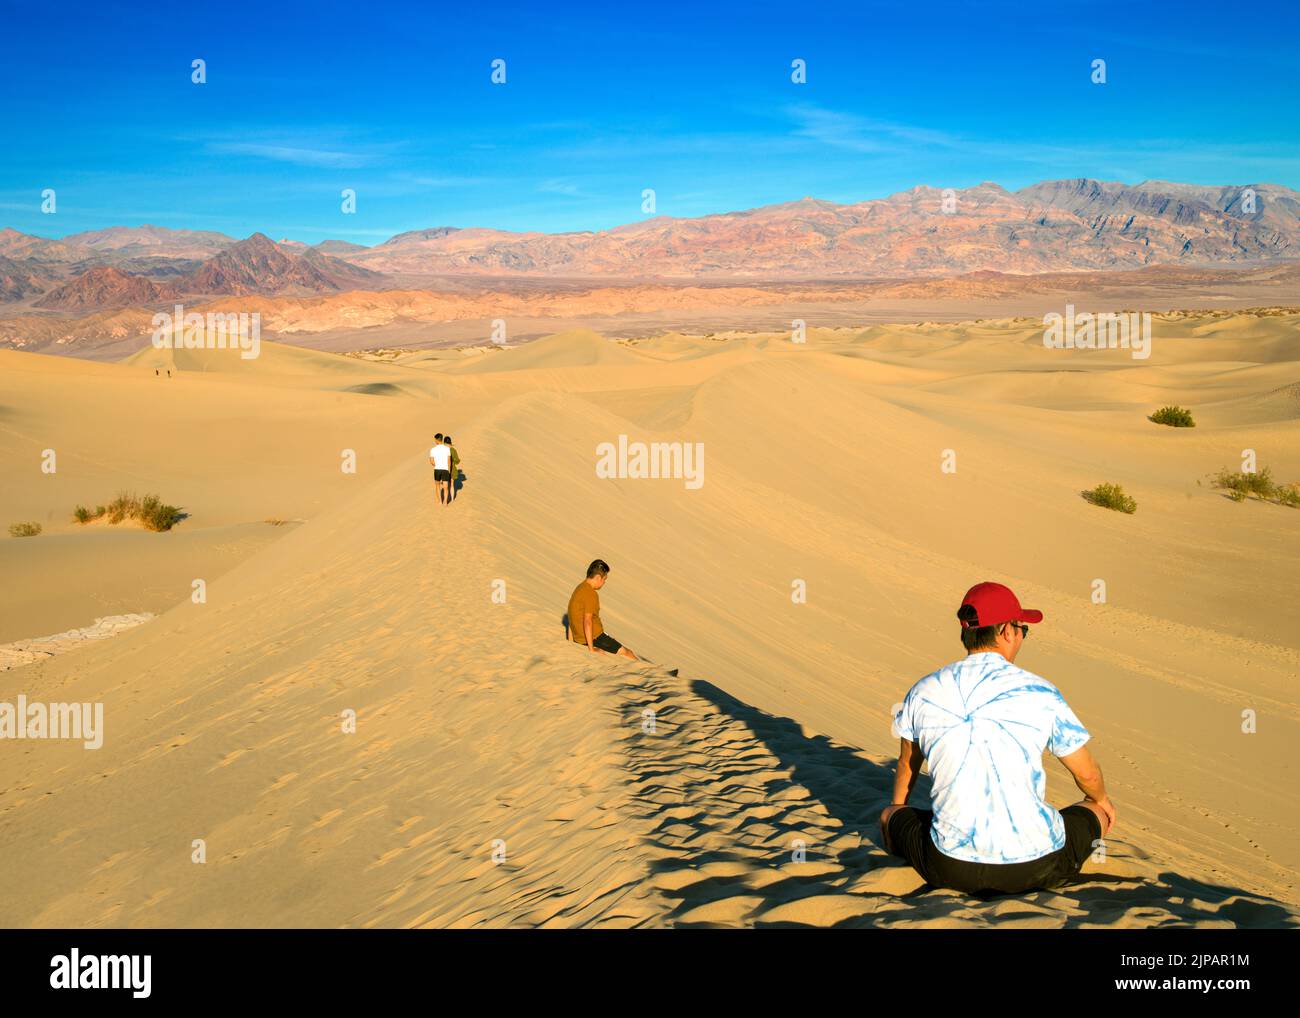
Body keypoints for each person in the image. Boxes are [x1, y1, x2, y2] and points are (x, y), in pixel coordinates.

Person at [880, 581, 1115, 897]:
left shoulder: (924, 690)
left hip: (949, 867)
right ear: (1007, 631)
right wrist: (1100, 800)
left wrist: (898, 809)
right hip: (1039, 864)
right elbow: (1087, 773)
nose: (1021, 637)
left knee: (889, 816)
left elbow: (908, 761)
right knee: (1096, 810)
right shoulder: (1040, 691)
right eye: (1023, 630)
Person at [567, 559, 637, 659]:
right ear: (598, 577)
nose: (604, 582)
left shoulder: (579, 588)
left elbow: (571, 615)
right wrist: (591, 649)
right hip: (595, 637)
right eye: (604, 579)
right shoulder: (591, 594)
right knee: (627, 653)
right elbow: (588, 621)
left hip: (580, 638)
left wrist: (571, 642)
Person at [429, 434, 452, 505]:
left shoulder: (433, 449)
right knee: (445, 487)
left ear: (436, 440)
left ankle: (440, 501)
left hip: (437, 470)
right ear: (441, 439)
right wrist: (449, 470)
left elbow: (431, 461)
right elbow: (449, 461)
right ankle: (445, 502)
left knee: (437, 485)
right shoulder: (447, 449)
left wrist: (436, 465)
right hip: (445, 469)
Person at [445, 435, 462, 501]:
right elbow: (457, 461)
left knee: (446, 485)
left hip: (444, 469)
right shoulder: (453, 450)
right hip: (452, 469)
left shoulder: (443, 450)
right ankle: (452, 499)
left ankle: (446, 498)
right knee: (452, 484)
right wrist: (457, 460)